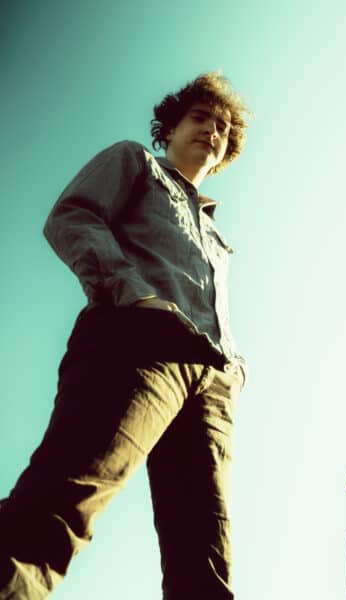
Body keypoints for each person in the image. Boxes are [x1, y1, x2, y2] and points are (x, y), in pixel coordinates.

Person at [0, 72, 250, 599]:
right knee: (60, 505)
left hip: (211, 386)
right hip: (137, 344)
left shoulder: (217, 233)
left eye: (223, 126)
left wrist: (235, 365)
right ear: (170, 129)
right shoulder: (135, 162)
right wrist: (133, 294)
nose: (212, 130)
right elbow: (73, 216)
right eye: (199, 118)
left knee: (206, 561)